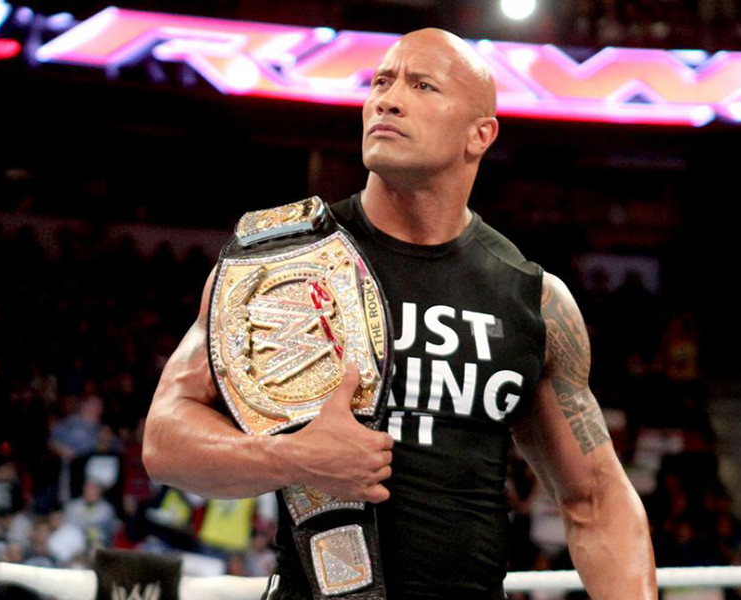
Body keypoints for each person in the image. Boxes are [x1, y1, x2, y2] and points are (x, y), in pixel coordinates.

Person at [143, 28, 656, 600]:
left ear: (480, 134)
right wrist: (291, 458)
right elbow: (164, 440)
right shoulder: (282, 264)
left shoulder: (529, 298)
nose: (387, 99)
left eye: (422, 85)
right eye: (381, 82)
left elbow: (595, 501)